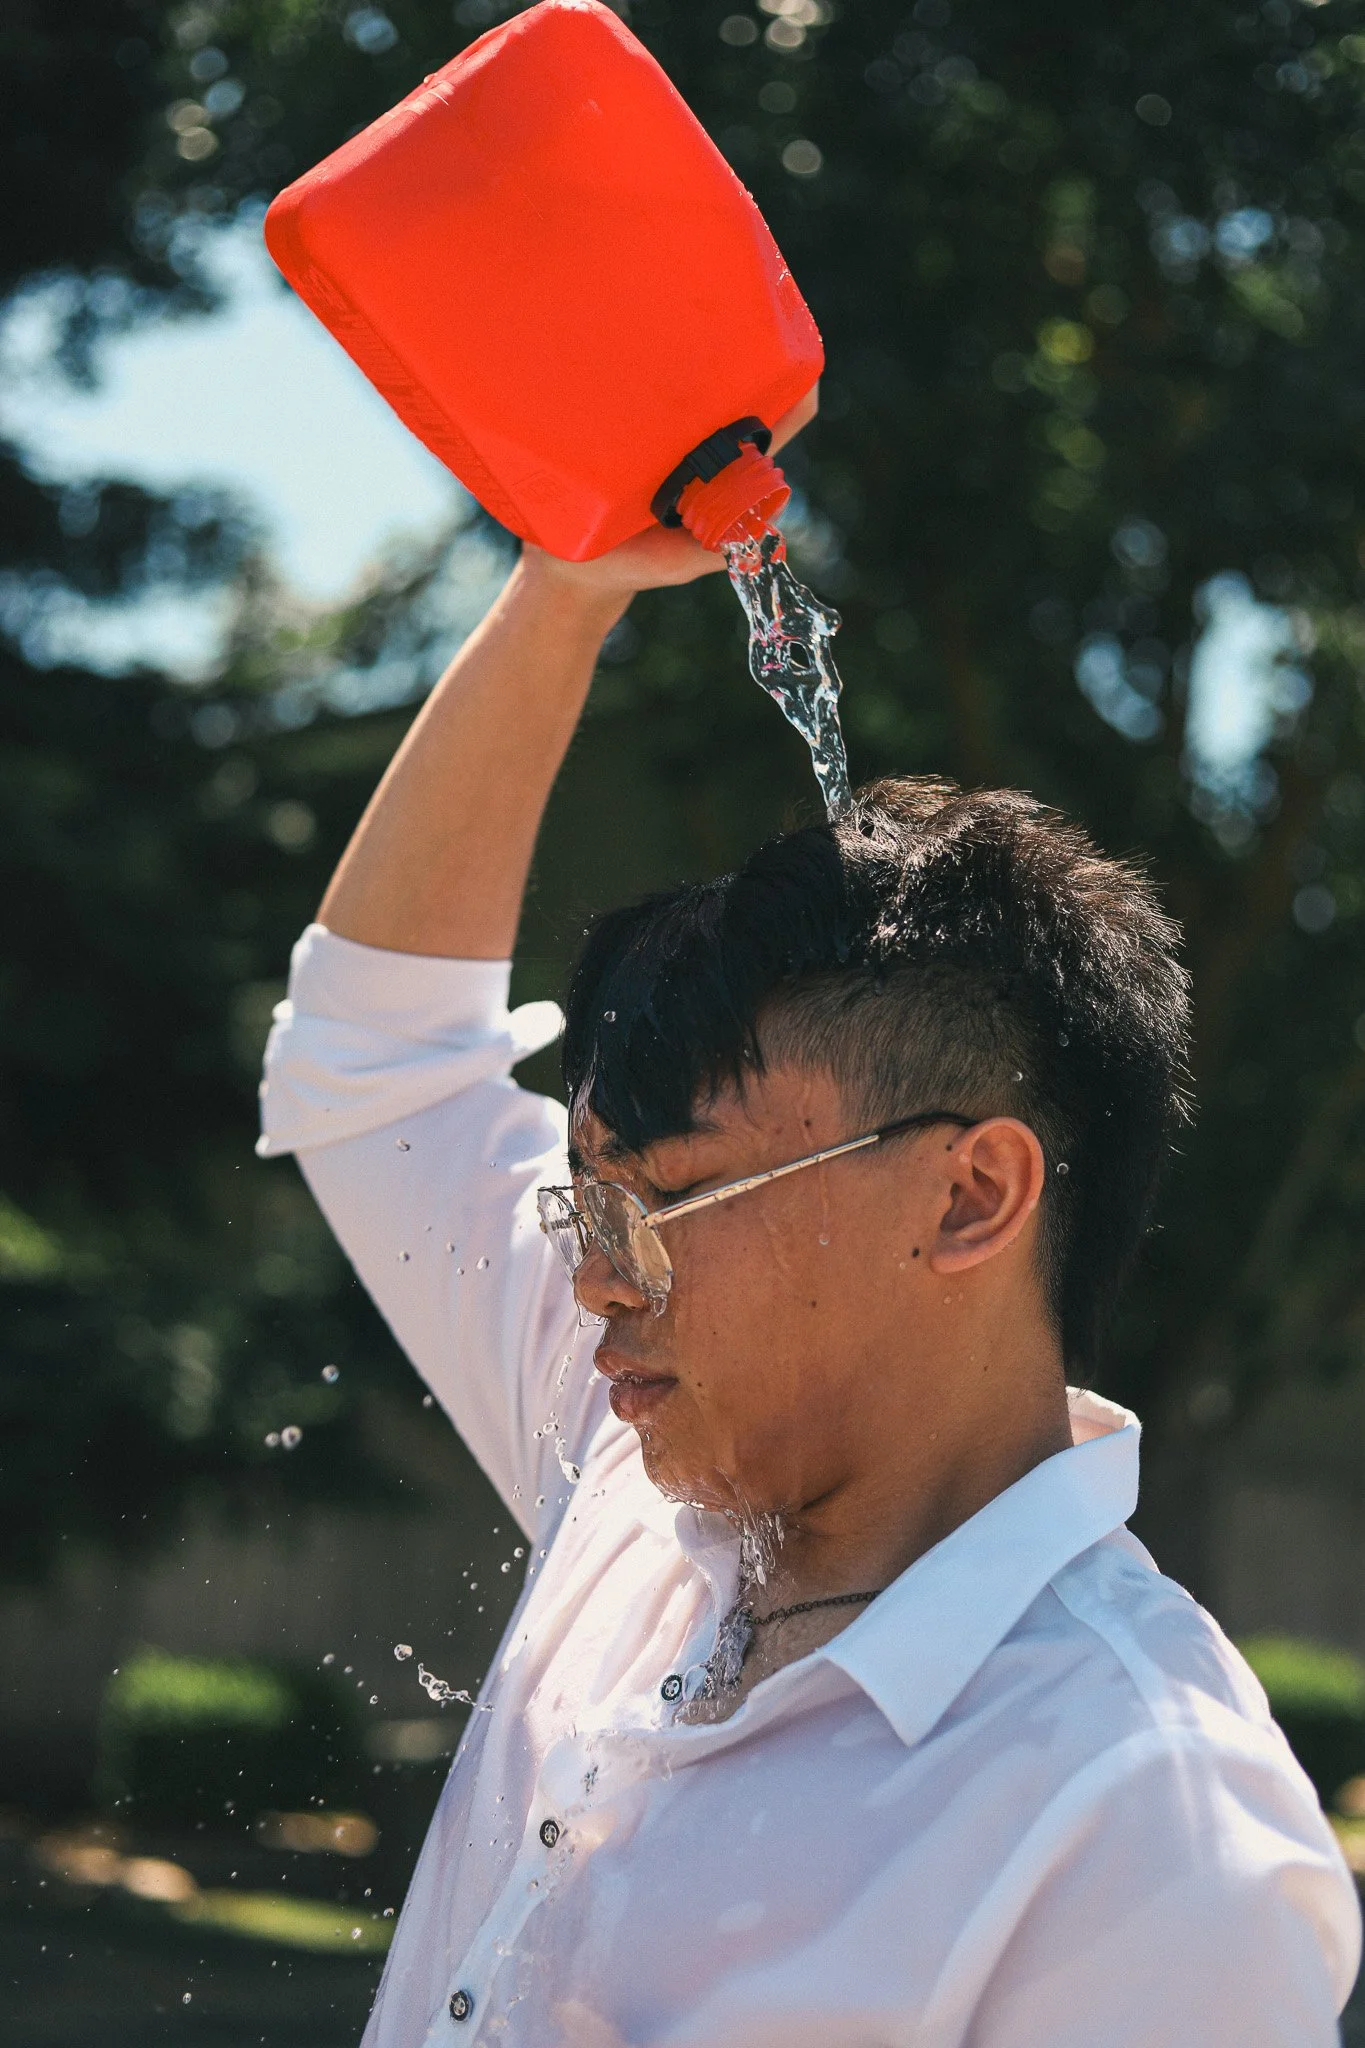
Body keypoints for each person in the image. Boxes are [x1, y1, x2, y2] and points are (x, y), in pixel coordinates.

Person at [259, 515, 1360, 2047]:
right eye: (586, 1206)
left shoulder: (1142, 1824)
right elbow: (372, 1075)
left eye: (667, 1203)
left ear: (969, 1196)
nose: (590, 1286)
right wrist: (565, 585)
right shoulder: (642, 1480)